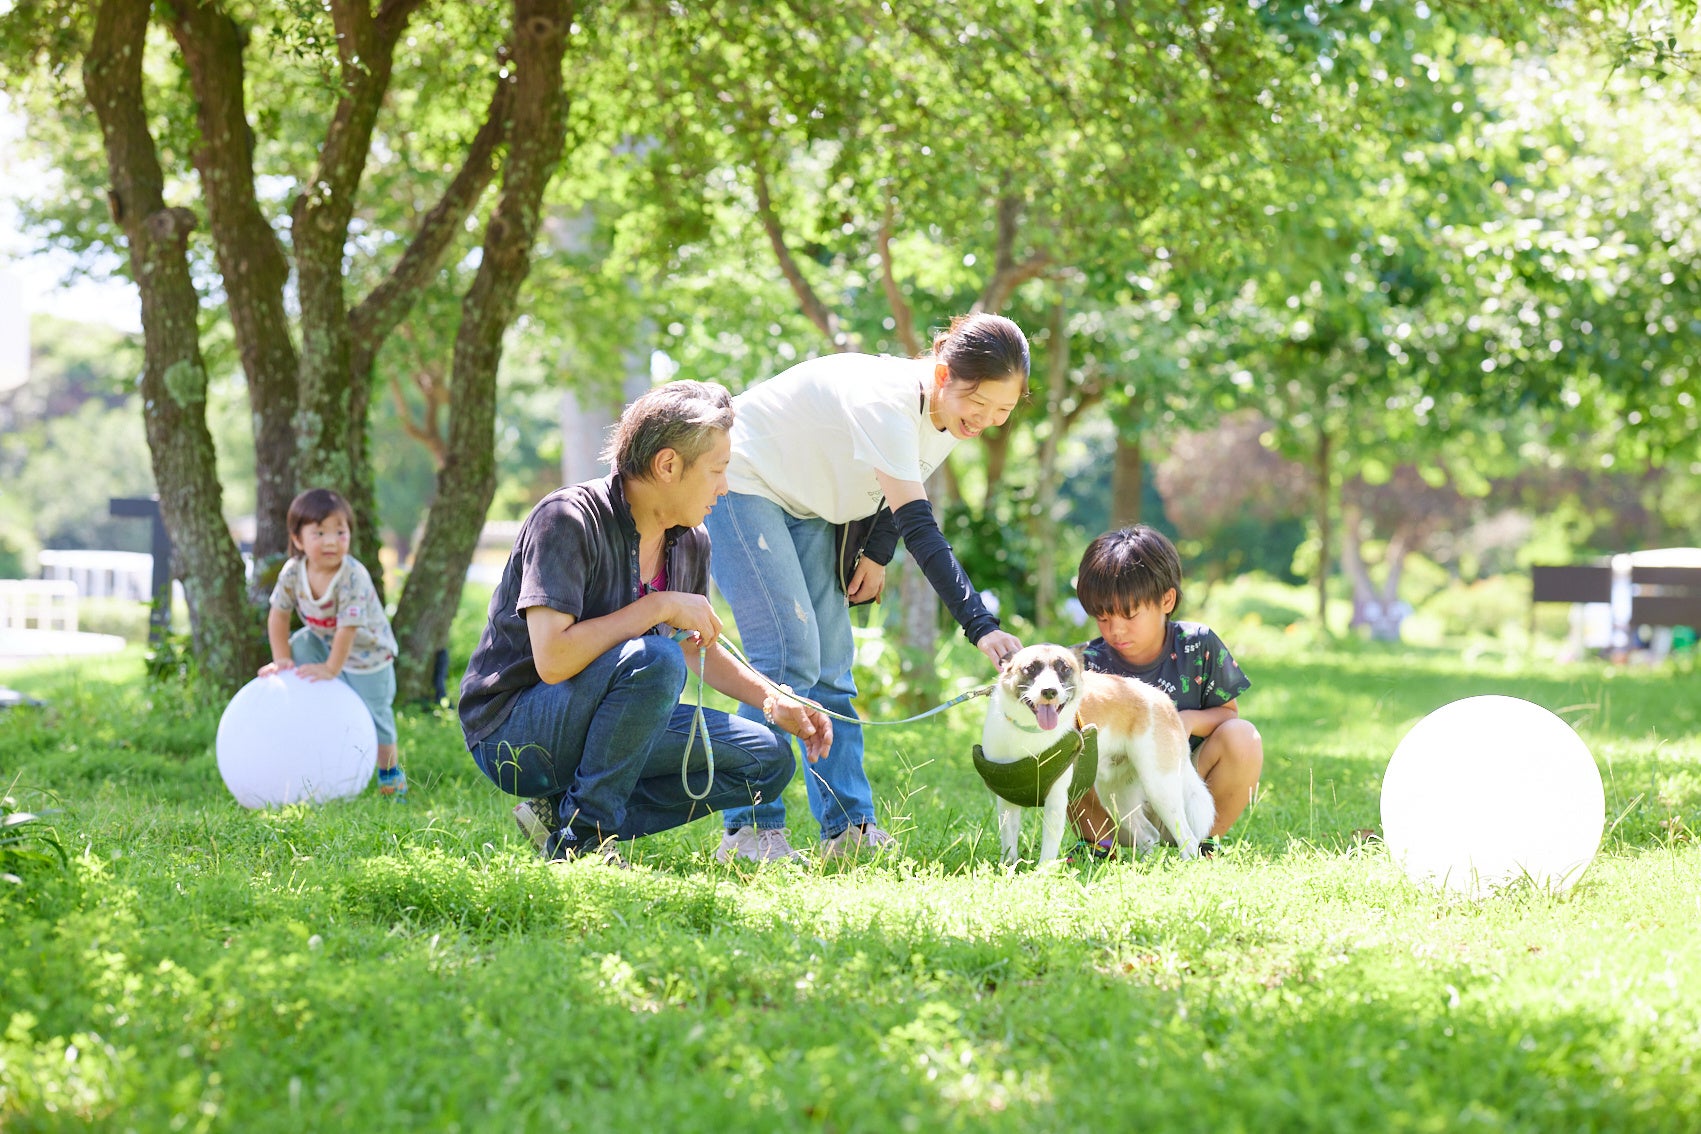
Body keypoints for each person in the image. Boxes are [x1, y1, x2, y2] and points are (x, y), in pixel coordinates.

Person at [457, 381, 831, 867]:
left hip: (613, 717)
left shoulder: (691, 540)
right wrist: (656, 608)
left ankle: (561, 816)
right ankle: (583, 844)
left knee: (767, 759)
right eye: (717, 470)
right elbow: (552, 661)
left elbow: (694, 645)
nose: (724, 486)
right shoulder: (566, 519)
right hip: (517, 731)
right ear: (668, 465)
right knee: (654, 659)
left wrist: (770, 697)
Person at [704, 313, 1030, 862]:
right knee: (784, 662)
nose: (988, 420)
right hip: (743, 481)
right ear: (945, 373)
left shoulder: (949, 414)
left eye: (1003, 410)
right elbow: (921, 529)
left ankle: (849, 831)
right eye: (981, 405)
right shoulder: (888, 399)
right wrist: (981, 626)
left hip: (808, 503)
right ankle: (749, 832)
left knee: (831, 667)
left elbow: (898, 477)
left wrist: (876, 554)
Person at [1067, 525, 1263, 855]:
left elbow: (1227, 714)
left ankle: (1202, 841)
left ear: (1166, 600)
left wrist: (1182, 721)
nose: (1115, 630)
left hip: (1182, 790)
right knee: (1067, 748)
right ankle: (1099, 845)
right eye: (1102, 618)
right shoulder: (1087, 664)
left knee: (1243, 737)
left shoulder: (1197, 645)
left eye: (1129, 616)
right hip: (1117, 808)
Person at [261, 488, 407, 797]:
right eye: (319, 533)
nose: (331, 541)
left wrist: (330, 669)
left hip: (368, 656)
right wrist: (282, 658)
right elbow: (278, 615)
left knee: (377, 716)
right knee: (299, 643)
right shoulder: (292, 572)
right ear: (298, 540)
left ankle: (391, 780)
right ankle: (313, 745)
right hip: (324, 643)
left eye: (340, 532)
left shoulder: (352, 575)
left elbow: (348, 629)